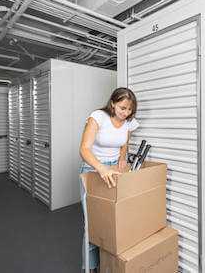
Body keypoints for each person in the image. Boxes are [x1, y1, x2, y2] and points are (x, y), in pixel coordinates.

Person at [78, 87, 139, 273]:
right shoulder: (98, 117)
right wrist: (102, 168)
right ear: (112, 103)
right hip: (94, 169)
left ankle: (108, 265)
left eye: (129, 110)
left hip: (114, 170)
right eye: (122, 108)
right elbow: (84, 149)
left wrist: (122, 157)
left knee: (113, 220)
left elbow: (124, 143)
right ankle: (89, 268)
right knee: (93, 224)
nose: (125, 113)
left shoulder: (129, 121)